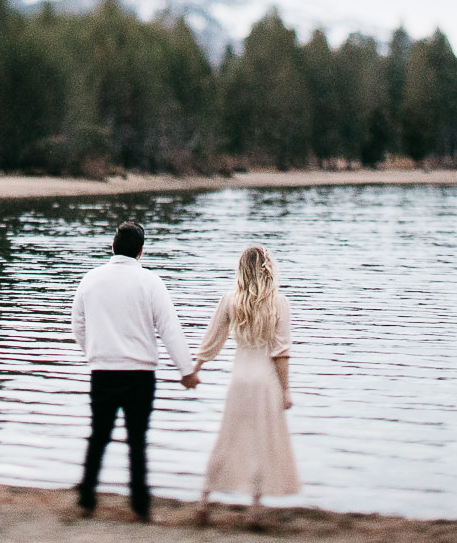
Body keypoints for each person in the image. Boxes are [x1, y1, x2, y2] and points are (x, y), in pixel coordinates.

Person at [70, 220, 199, 522]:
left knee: (99, 435)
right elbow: (169, 329)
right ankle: (140, 504)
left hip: (103, 370)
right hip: (140, 374)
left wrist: (93, 353)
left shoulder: (90, 280)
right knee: (137, 439)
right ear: (141, 251)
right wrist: (186, 370)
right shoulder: (151, 282)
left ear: (111, 247)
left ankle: (87, 497)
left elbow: (78, 325)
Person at [190, 244, 300, 525]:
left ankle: (204, 499)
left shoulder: (230, 300)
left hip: (239, 381)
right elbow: (281, 352)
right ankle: (254, 508)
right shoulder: (279, 302)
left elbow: (211, 340)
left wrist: (195, 369)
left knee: (227, 439)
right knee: (261, 443)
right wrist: (286, 390)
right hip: (265, 382)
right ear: (268, 269)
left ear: (241, 269)